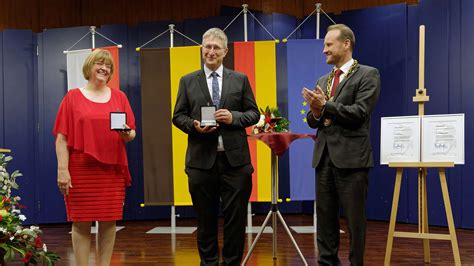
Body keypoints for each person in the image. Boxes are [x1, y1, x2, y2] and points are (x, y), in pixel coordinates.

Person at [172, 27, 259, 265]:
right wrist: (194, 125)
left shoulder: (239, 79)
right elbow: (177, 116)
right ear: (202, 48)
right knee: (205, 220)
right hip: (201, 163)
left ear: (225, 51)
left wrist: (234, 118)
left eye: (216, 48)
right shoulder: (188, 81)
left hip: (236, 163)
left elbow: (254, 114)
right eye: (207, 47)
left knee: (235, 221)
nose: (211, 52)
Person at [302, 24, 380, 266]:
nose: (324, 50)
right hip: (323, 159)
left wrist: (326, 106)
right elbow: (314, 121)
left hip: (352, 160)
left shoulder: (368, 74)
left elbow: (360, 112)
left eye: (328, 44)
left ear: (346, 44)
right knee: (325, 219)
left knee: (355, 221)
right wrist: (315, 111)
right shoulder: (323, 79)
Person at [54, 49, 136, 266]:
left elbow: (132, 133)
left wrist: (127, 133)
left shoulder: (120, 97)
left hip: (111, 169)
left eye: (108, 66)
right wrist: (63, 170)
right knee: (80, 222)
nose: (104, 68)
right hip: (81, 168)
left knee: (109, 221)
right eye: (99, 63)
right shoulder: (72, 97)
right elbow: (61, 138)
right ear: (89, 67)